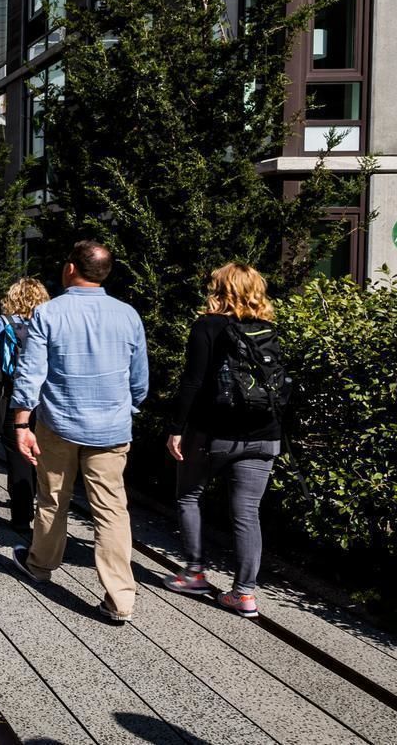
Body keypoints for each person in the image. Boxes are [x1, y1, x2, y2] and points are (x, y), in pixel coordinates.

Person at [8, 239, 150, 624]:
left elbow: (31, 374)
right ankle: (120, 597)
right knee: (111, 509)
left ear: (71, 269)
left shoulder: (48, 314)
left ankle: (40, 564)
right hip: (112, 427)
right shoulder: (128, 315)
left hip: (59, 424)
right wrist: (126, 408)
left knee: (53, 497)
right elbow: (139, 380)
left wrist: (22, 422)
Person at [162, 263, 287, 619]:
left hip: (213, 433)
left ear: (221, 290)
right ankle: (244, 594)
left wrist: (176, 428)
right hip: (265, 435)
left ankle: (194, 573)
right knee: (248, 513)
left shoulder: (207, 325)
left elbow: (193, 382)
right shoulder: (268, 329)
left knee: (189, 495)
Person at [0, 276, 51, 534]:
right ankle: (42, 506)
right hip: (45, 399)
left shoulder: (0, 323)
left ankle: (22, 517)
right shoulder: (48, 323)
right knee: (43, 453)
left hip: (13, 397)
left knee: (18, 455)